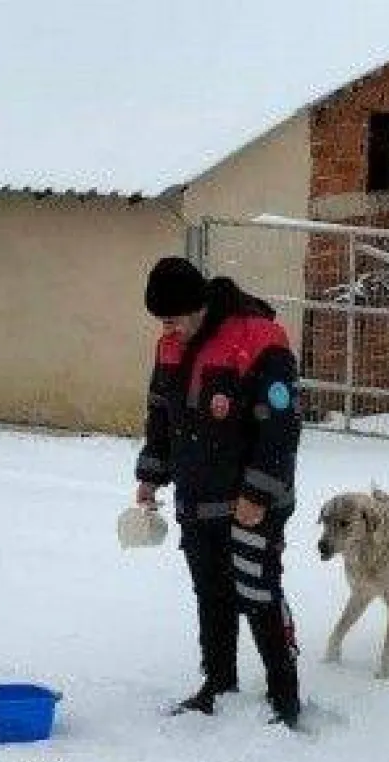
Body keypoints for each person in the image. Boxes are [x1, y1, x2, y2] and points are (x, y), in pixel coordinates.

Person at [133, 255, 303, 728]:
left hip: (252, 500)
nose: (167, 329)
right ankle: (218, 683)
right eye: (161, 321)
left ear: (198, 305)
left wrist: (258, 494)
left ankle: (284, 695)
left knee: (258, 590)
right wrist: (151, 474)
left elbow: (281, 427)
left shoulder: (259, 338)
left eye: (173, 319)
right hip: (198, 495)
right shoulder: (169, 345)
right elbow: (160, 415)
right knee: (211, 592)